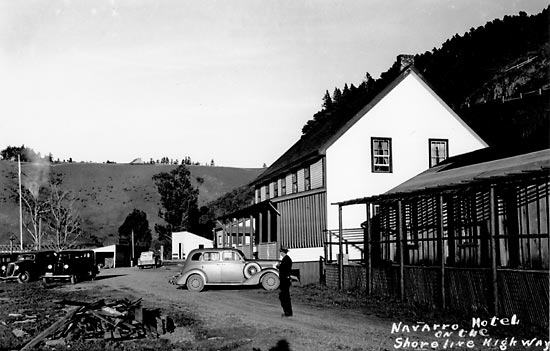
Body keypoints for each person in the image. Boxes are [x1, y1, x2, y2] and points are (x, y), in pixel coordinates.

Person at [277, 247, 293, 317]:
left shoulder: (286, 260)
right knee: (284, 296)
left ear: (283, 252)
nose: (280, 253)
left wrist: (278, 266)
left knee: (284, 296)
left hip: (284, 280)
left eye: (281, 252)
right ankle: (287, 311)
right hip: (285, 279)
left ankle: (287, 312)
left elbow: (283, 268)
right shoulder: (287, 259)